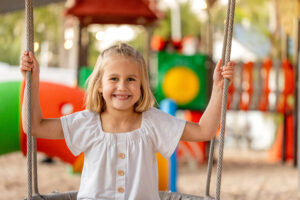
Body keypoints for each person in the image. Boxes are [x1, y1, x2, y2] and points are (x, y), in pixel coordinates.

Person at [20, 43, 234, 200]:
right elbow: (34, 126)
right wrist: (32, 81)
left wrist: (217, 89)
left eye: (131, 79)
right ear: (100, 84)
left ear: (141, 86)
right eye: (114, 79)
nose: (122, 86)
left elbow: (205, 131)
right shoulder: (86, 122)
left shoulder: (153, 122)